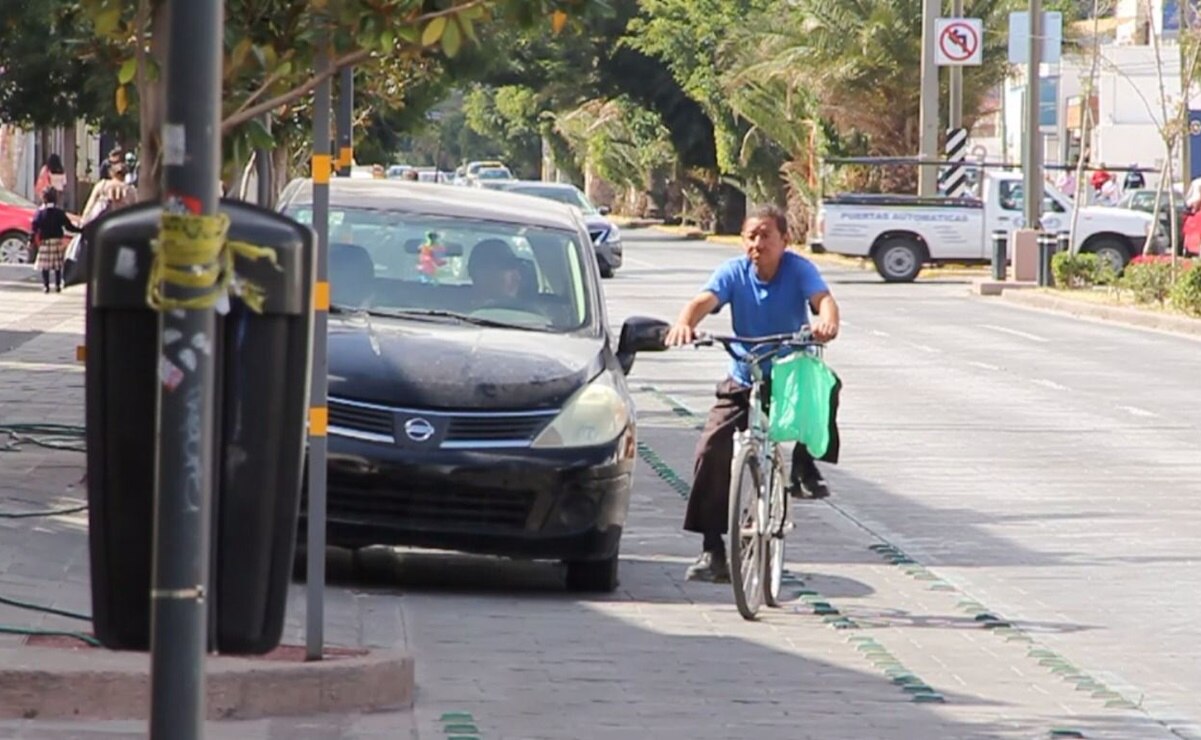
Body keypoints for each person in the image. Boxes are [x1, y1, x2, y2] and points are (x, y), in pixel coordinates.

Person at [664, 204, 841, 583]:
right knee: (711, 449)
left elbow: (822, 300)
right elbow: (703, 301)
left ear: (783, 240)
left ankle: (805, 465)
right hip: (744, 373)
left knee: (826, 388)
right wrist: (684, 323)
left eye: (765, 235)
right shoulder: (733, 272)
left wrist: (827, 321)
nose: (757, 244)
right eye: (751, 236)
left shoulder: (798, 269)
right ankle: (713, 550)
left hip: (789, 369)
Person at [31, 187, 80, 293]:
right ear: (56, 198)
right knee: (57, 265)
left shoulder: (39, 213)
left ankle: (46, 286)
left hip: (44, 241)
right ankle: (58, 285)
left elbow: (34, 228)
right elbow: (68, 226)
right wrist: (80, 230)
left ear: (43, 198)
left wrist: (30, 240)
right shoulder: (59, 212)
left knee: (45, 266)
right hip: (57, 240)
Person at [467, 239, 526, 304]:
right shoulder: (456, 308)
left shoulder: (527, 312)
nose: (518, 278)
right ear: (480, 273)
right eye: (508, 268)